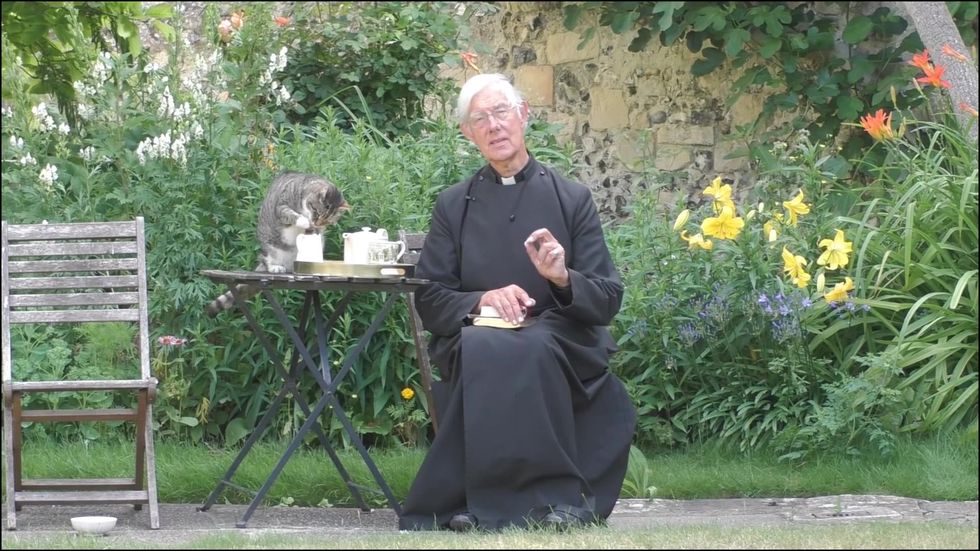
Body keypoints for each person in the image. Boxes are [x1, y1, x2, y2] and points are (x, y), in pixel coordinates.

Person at [398, 73, 637, 532]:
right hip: (477, 333)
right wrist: (483, 298)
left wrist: (562, 278)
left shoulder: (572, 199)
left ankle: (490, 505)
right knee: (491, 346)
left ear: (523, 115)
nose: (494, 126)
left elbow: (607, 298)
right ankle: (534, 504)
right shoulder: (453, 205)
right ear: (468, 133)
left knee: (532, 346)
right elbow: (430, 298)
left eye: (501, 112)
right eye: (480, 119)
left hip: (562, 339)